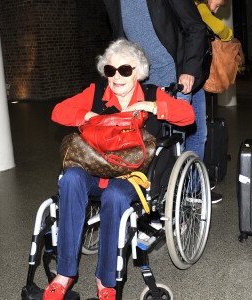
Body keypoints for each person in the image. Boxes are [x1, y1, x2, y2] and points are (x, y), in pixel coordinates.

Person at [43, 39, 195, 300]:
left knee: (115, 195)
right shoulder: (96, 93)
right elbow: (58, 112)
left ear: (138, 72)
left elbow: (187, 116)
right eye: (111, 71)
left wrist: (152, 107)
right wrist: (86, 116)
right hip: (95, 168)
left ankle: (105, 281)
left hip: (130, 174)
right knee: (70, 179)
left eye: (125, 70)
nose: (117, 77)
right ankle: (65, 273)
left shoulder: (151, 93)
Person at [101, 0, 223, 203]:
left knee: (180, 138)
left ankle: (184, 196)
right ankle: (157, 195)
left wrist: (189, 71)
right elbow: (118, 40)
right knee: (148, 139)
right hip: (144, 78)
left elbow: (195, 26)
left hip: (177, 73)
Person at [195, 0, 245, 204]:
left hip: (193, 75)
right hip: (191, 76)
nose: (216, 10)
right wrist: (230, 36)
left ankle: (193, 184)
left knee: (198, 131)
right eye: (218, 4)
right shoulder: (198, 7)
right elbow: (219, 28)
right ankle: (193, 189)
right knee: (198, 134)